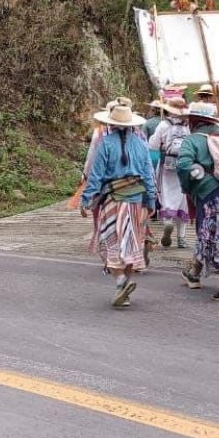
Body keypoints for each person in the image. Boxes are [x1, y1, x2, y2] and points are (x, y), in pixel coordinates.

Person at [81, 103, 156, 308]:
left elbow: (95, 176)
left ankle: (122, 281)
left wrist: (86, 200)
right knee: (131, 244)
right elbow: (148, 175)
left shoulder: (105, 144)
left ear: (110, 123)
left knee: (110, 244)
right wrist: (151, 200)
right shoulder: (141, 144)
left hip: (113, 201)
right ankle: (124, 290)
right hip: (136, 202)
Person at [176, 102, 219, 302]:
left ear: (193, 121)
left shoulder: (192, 140)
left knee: (214, 234)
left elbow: (184, 166)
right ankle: (194, 273)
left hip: (210, 192)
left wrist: (188, 186)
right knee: (216, 232)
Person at [149, 97, 190, 248]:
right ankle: (182, 238)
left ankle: (167, 222)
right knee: (183, 197)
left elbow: (152, 145)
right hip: (185, 166)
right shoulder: (188, 126)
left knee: (166, 194)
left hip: (167, 166)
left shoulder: (163, 125)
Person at [142, 100, 164, 171]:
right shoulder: (167, 123)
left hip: (152, 154)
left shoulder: (147, 123)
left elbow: (143, 141)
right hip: (166, 154)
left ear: (153, 110)